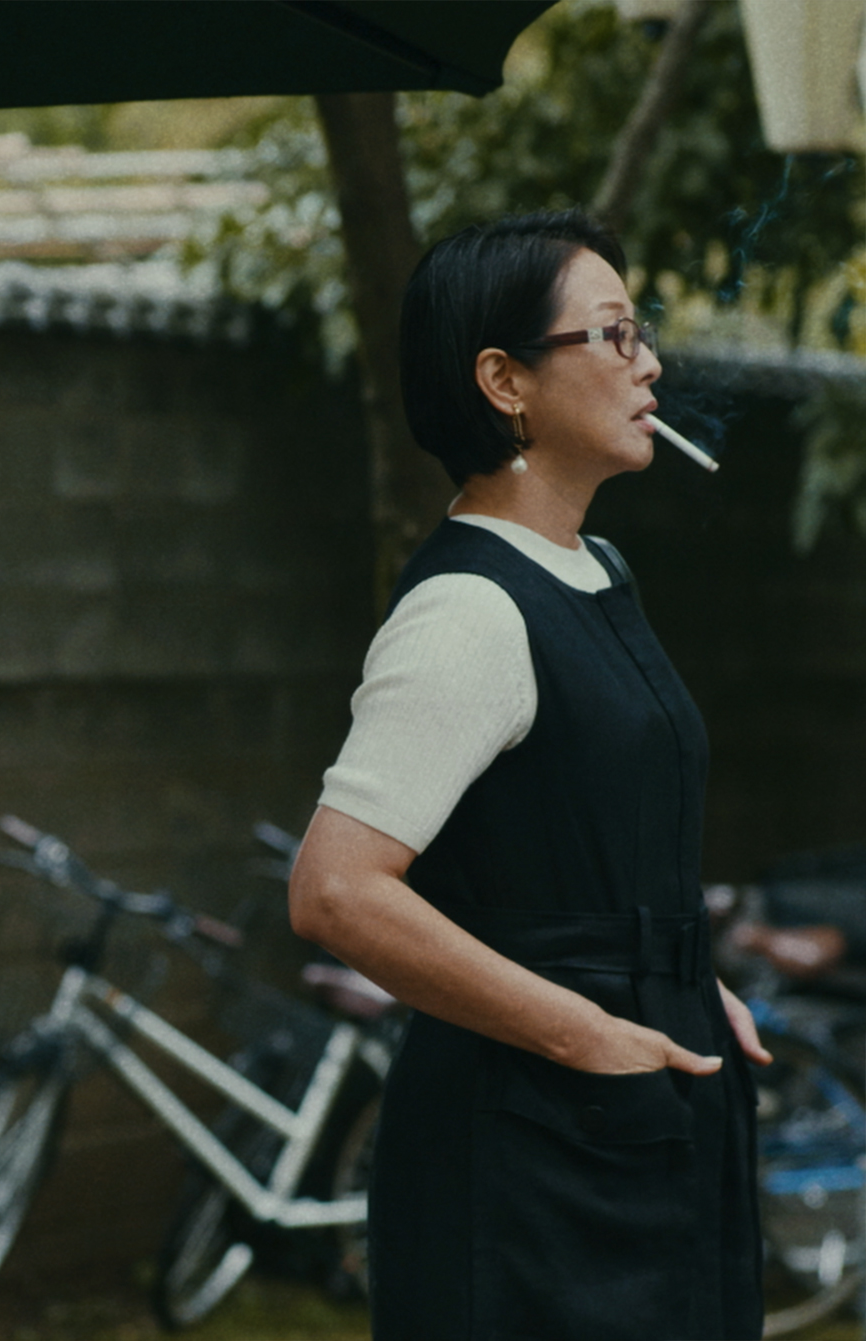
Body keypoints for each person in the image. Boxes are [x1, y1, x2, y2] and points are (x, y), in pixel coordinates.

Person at [287, 210, 766, 1340]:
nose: (649, 363)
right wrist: (587, 1031)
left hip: (644, 1104)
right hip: (530, 1152)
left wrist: (681, 976)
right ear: (504, 380)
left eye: (643, 331)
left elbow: (587, 844)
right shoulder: (468, 610)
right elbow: (336, 890)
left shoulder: (598, 568)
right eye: (613, 334)